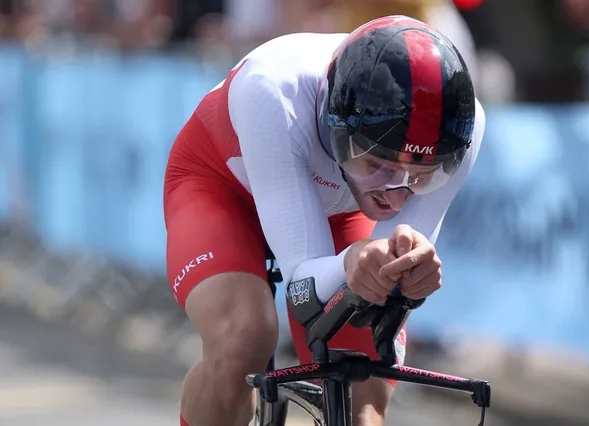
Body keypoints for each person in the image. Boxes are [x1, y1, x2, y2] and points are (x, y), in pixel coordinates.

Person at [163, 14, 485, 426]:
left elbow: (387, 262)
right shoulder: (274, 90)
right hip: (221, 186)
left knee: (363, 394)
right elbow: (303, 287)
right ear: (337, 128)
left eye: (421, 176)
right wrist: (355, 262)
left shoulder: (466, 127)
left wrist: (406, 271)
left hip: (339, 208)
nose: (396, 193)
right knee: (245, 335)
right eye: (378, 165)